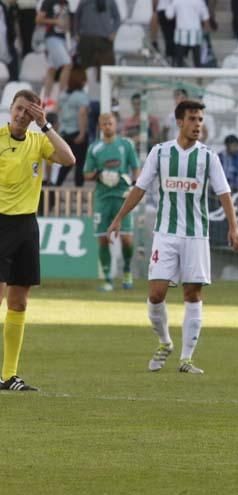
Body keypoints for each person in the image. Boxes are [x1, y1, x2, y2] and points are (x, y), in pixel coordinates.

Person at [108, 100, 238, 375]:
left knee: (192, 293)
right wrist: (120, 216)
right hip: (166, 234)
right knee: (156, 294)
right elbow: (140, 188)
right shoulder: (160, 153)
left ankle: (187, 358)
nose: (198, 125)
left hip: (196, 235)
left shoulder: (208, 157)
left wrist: (234, 226)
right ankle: (165, 341)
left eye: (200, 120)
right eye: (193, 119)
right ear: (180, 121)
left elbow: (224, 193)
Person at [0, 89, 76, 391]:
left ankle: (8, 375)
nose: (21, 115)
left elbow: (69, 158)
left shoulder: (38, 141)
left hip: (26, 227)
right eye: (18, 109)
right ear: (10, 109)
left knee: (19, 302)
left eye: (28, 111)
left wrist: (46, 126)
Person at [84, 113, 140, 292]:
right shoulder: (94, 148)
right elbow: (86, 173)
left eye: (110, 123)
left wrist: (134, 185)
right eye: (104, 124)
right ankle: (108, 279)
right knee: (102, 238)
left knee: (127, 239)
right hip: (102, 198)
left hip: (122, 196)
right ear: (100, 126)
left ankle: (127, 271)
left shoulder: (126, 145)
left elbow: (135, 167)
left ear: (115, 125)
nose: (107, 126)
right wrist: (99, 174)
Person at [55, 66, 90, 187]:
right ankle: (78, 189)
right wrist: (82, 133)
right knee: (80, 163)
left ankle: (56, 187)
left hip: (65, 133)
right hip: (76, 132)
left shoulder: (63, 95)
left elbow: (57, 112)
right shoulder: (81, 96)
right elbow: (82, 113)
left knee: (66, 163)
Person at [36, 0, 71, 107]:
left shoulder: (65, 3)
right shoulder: (48, 1)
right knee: (67, 64)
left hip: (63, 37)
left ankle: (45, 99)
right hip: (52, 36)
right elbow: (38, 19)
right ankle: (62, 97)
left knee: (52, 68)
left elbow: (66, 20)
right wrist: (55, 22)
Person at [74, 0, 121, 79]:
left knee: (106, 68)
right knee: (85, 69)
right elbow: (77, 17)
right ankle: (86, 89)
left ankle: (104, 89)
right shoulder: (84, 2)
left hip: (105, 39)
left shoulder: (111, 2)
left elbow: (117, 18)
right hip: (86, 39)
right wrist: (76, 33)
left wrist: (114, 32)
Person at [166, 0, 210, 68]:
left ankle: (179, 76)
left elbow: (169, 16)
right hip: (195, 33)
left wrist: (170, 4)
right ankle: (199, 77)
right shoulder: (199, 1)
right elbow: (205, 18)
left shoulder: (176, 1)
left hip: (181, 33)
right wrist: (205, 32)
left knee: (179, 59)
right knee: (197, 60)